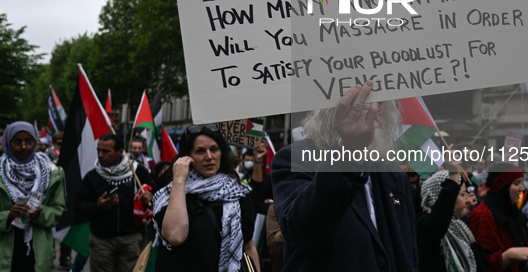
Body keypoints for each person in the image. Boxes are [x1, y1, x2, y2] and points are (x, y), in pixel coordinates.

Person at [271, 80, 419, 271]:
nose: (369, 108)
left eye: (378, 102)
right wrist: (348, 150)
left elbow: (409, 253)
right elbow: (302, 235)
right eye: (358, 99)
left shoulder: (394, 174)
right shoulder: (295, 158)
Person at [152, 124, 260, 272]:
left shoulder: (238, 192)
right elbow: (175, 236)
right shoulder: (173, 190)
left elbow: (248, 245)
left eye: (214, 149)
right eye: (200, 151)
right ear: (187, 157)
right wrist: (179, 180)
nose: (209, 156)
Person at [75, 133, 154, 272]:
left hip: (131, 239)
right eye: (98, 150)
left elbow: (156, 192)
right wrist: (97, 206)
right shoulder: (92, 177)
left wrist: (150, 194)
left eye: (105, 151)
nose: (100, 155)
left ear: (120, 152)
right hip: (101, 241)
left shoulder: (137, 172)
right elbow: (78, 205)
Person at [0, 121, 66, 271]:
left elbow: (59, 210)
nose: (24, 147)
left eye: (29, 141)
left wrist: (41, 214)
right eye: (17, 142)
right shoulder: (0, 172)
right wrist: (8, 216)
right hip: (5, 250)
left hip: (38, 251)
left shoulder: (52, 173)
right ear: (7, 143)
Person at [468, 162, 528, 272]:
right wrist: (509, 255)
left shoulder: (513, 211)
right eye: (517, 183)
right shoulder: (482, 216)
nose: (522, 189)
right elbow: (482, 265)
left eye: (522, 182)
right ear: (502, 187)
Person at [417, 165, 486, 272]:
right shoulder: (425, 224)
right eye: (462, 194)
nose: (466, 199)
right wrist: (453, 176)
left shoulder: (457, 225)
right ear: (441, 196)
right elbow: (439, 223)